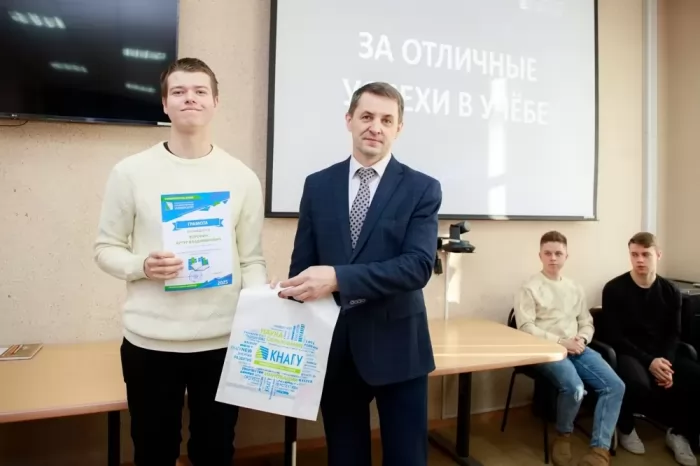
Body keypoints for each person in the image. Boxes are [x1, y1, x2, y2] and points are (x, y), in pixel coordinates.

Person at [93, 57, 269, 466]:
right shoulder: (130, 172)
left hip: (221, 342)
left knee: (215, 451)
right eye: (179, 91)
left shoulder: (242, 177)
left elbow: (252, 259)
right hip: (150, 343)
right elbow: (105, 249)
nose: (190, 98)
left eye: (200, 91)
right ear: (165, 104)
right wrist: (142, 266)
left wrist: (262, 309)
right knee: (154, 452)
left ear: (215, 102)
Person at [278, 82, 440, 466]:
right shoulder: (317, 185)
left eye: (386, 120)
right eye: (367, 116)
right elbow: (303, 267)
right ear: (349, 120)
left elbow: (417, 266)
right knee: (345, 457)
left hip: (400, 349)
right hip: (336, 351)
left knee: (406, 459)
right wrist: (285, 292)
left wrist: (338, 278)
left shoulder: (422, 188)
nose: (375, 127)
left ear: (399, 128)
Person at [514, 230, 624, 466]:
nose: (553, 258)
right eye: (548, 253)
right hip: (546, 350)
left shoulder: (574, 287)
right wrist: (560, 342)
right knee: (575, 388)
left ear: (566, 256)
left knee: (615, 386)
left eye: (558, 253)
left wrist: (582, 339)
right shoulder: (529, 287)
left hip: (577, 348)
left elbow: (586, 322)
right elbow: (525, 327)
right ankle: (563, 436)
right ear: (540, 256)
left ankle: (599, 450)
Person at [602, 232, 700, 466]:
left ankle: (679, 433)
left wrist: (665, 363)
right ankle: (625, 426)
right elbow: (614, 336)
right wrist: (649, 361)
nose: (639, 260)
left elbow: (674, 333)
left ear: (658, 255)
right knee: (636, 382)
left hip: (661, 354)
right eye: (634, 254)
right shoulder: (614, 288)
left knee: (696, 377)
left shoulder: (671, 291)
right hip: (629, 352)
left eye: (645, 254)